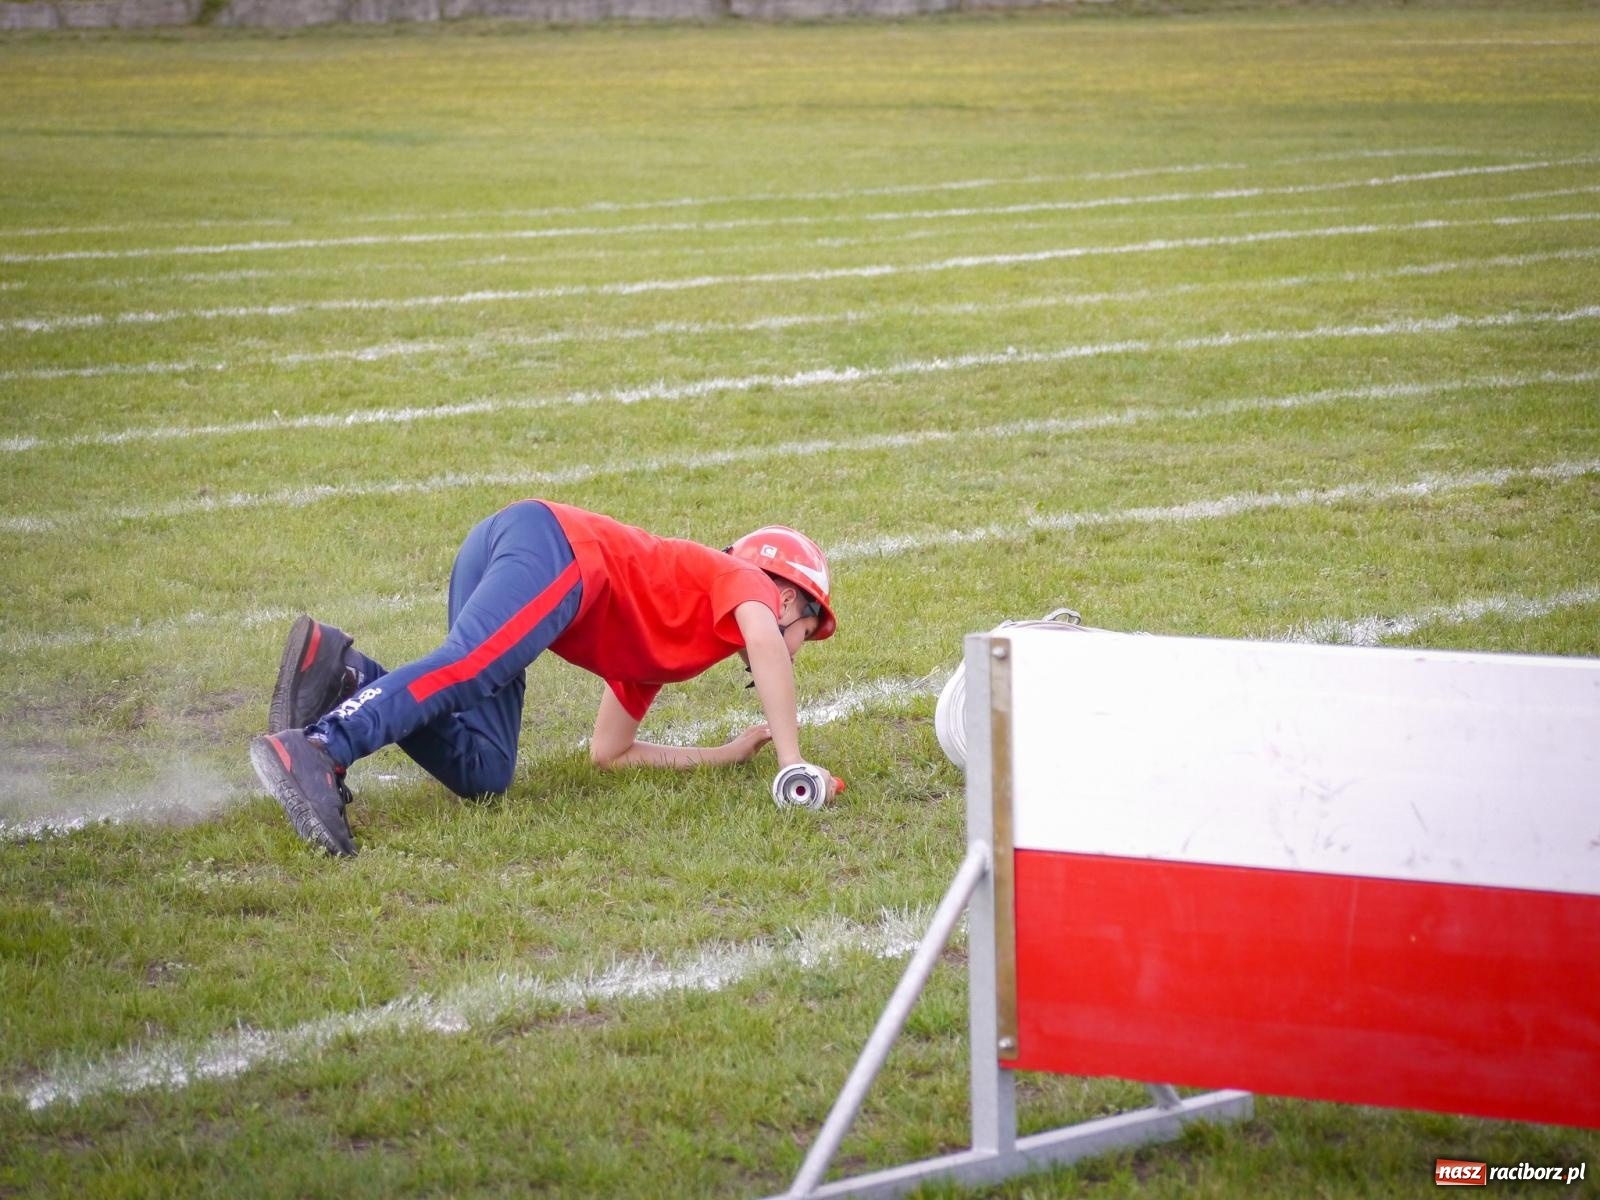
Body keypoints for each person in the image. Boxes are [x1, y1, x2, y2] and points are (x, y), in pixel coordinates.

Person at [249, 499, 838, 857]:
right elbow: (765, 642)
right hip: (556, 548)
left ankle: (347, 673)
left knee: (485, 770)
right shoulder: (746, 581)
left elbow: (612, 753)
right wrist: (793, 763)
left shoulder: (681, 641)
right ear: (786, 598)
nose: (793, 654)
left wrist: (727, 754)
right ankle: (323, 748)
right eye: (804, 637)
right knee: (469, 665)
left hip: (531, 550)